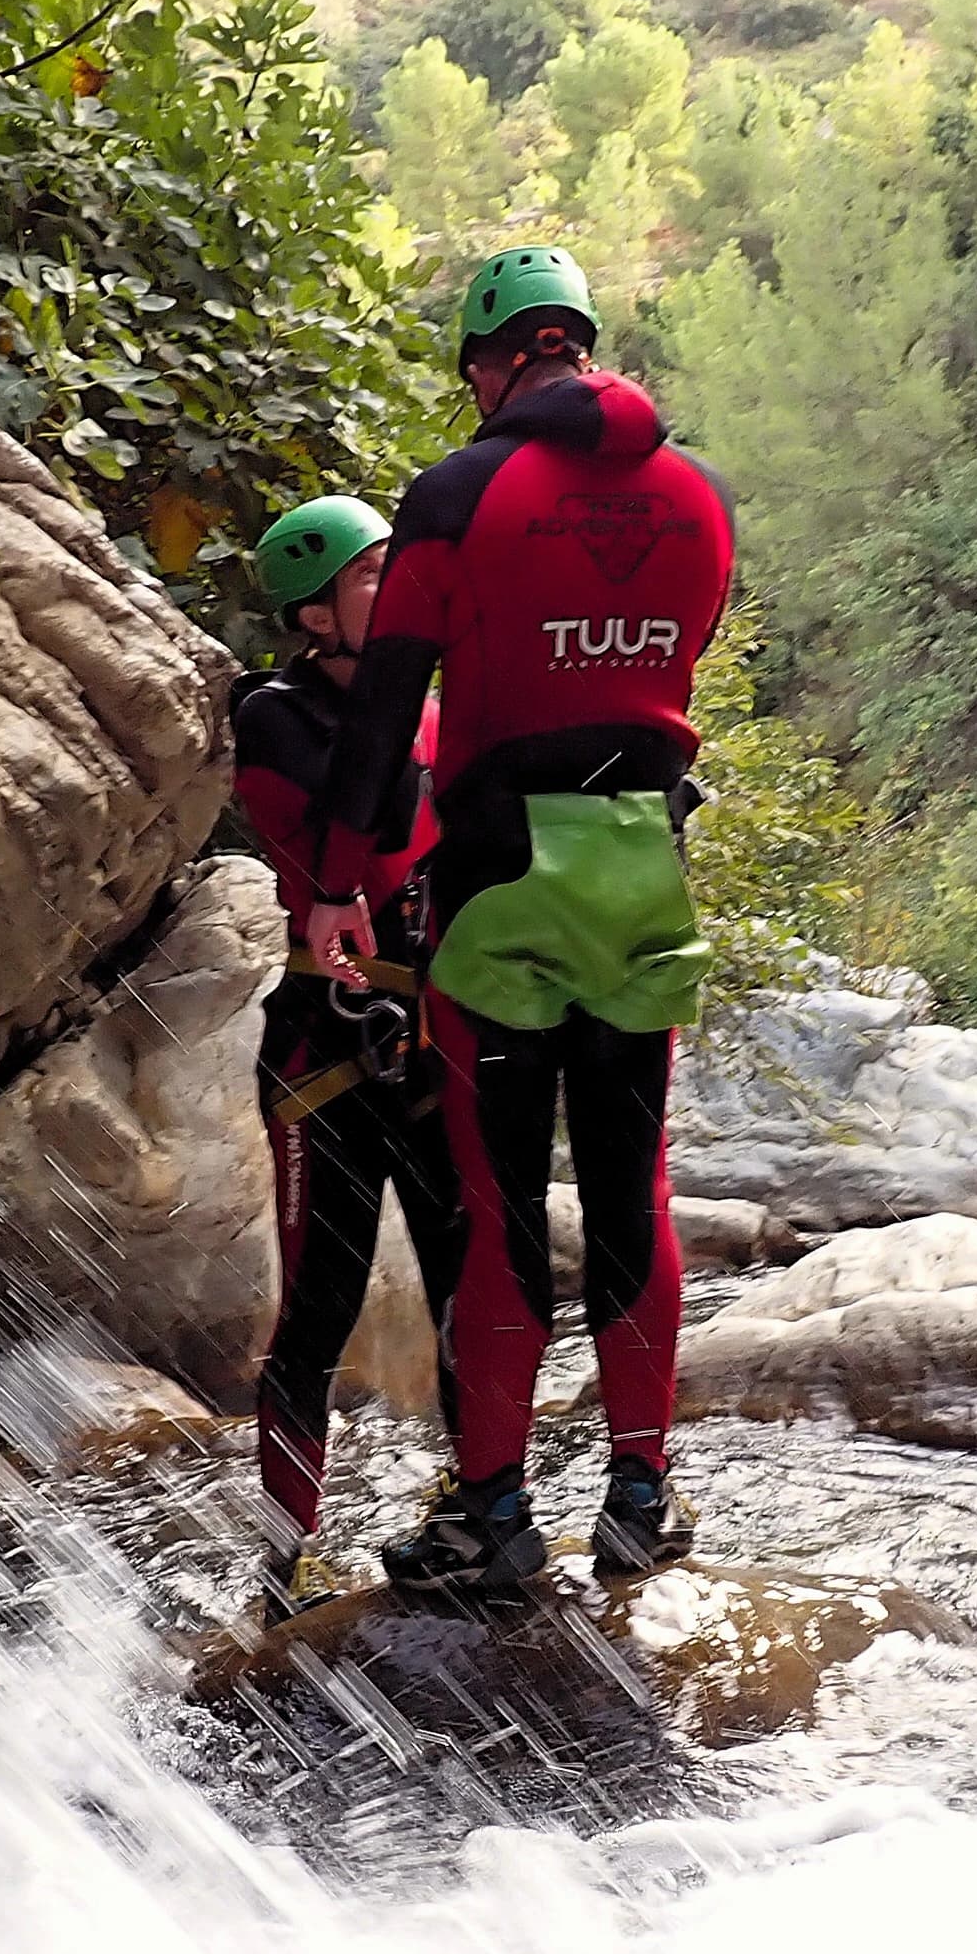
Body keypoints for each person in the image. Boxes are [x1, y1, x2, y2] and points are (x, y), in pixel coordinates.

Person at [299, 247, 735, 1613]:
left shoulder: (459, 493)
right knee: (632, 1183)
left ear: (495, 362)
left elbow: (386, 707)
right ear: (581, 343)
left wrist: (332, 882)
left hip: (499, 879)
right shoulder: (698, 494)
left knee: (497, 1204)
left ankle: (493, 1511)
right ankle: (641, 1495)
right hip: (642, 873)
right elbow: (670, 659)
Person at [231, 494, 470, 1624]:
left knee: (471, 1283)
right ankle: (283, 1558)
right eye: (377, 576)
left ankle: (484, 1507)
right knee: (319, 1310)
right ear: (316, 607)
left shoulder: (420, 709)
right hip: (328, 1049)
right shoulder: (271, 715)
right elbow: (367, 831)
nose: (397, 590)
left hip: (429, 1035)